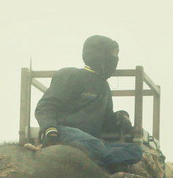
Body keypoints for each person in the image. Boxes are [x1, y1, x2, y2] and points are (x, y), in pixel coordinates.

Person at [35, 35, 143, 167]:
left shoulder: (104, 86)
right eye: (112, 54)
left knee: (135, 151)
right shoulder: (71, 75)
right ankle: (98, 158)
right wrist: (50, 130)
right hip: (63, 132)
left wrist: (119, 118)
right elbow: (44, 107)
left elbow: (105, 121)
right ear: (99, 55)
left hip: (90, 139)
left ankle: (94, 159)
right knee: (95, 145)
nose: (115, 59)